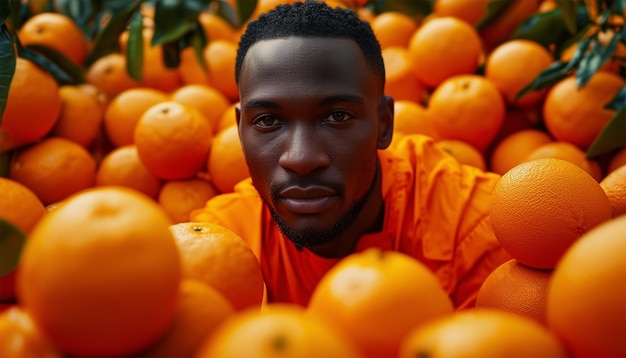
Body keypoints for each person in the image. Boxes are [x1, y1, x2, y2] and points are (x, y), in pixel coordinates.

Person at [191, 0, 511, 309]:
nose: (301, 158)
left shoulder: (481, 230)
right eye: (268, 121)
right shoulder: (217, 246)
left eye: (337, 116)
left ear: (384, 124)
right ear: (241, 132)